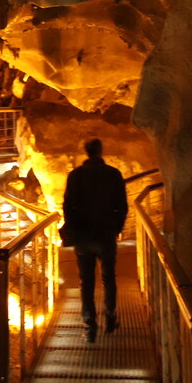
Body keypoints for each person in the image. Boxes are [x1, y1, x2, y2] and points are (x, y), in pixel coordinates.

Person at [62, 138, 128, 343]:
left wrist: (73, 228)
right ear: (100, 151)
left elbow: (68, 205)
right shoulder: (113, 174)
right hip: (105, 233)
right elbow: (122, 206)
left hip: (83, 235)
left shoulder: (76, 175)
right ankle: (110, 317)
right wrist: (116, 228)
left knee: (86, 281)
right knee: (109, 278)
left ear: (87, 152)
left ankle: (90, 327)